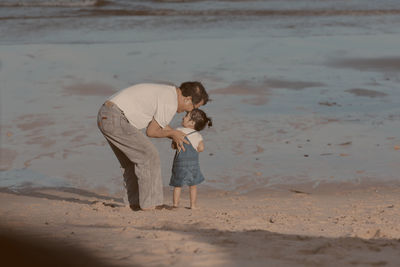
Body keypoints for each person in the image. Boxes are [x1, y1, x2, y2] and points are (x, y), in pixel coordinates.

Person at [97, 82, 209, 211]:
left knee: (132, 162)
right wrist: (173, 133)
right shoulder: (170, 102)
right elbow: (151, 132)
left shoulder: (168, 93)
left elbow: (160, 126)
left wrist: (175, 135)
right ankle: (151, 204)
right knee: (149, 155)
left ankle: (134, 203)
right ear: (188, 99)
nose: (191, 111)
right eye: (194, 107)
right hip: (115, 117)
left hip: (106, 115)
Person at [169, 109, 212, 209]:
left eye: (186, 116)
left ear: (192, 122)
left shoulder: (178, 131)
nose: (183, 117)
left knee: (177, 185)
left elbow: (173, 146)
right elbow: (201, 148)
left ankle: (175, 204)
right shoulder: (198, 135)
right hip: (193, 164)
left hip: (179, 163)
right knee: (193, 185)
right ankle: (193, 205)